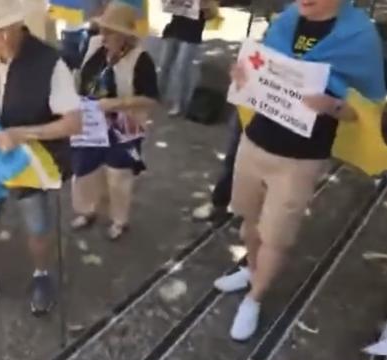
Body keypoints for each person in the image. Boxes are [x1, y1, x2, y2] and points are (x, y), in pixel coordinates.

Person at [214, 0, 386, 341]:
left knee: (276, 237)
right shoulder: (287, 19)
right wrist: (242, 74)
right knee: (249, 219)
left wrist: (334, 106)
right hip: (255, 141)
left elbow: (369, 108)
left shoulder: (359, 36)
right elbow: (259, 69)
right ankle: (250, 269)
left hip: (300, 159)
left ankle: (255, 298)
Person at [0, 0, 81, 321]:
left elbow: (74, 122)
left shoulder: (51, 63)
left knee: (37, 225)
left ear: (5, 32)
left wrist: (22, 134)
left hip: (30, 159)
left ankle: (41, 276)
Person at [69, 1, 159, 240]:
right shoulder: (94, 45)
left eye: (110, 31)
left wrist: (116, 104)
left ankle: (119, 220)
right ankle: (87, 210)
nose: (104, 34)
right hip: (89, 121)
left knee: (118, 174)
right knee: (85, 169)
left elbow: (150, 99)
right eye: (103, 28)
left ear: (126, 35)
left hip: (123, 126)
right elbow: (80, 74)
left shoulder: (141, 59)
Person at [159, 0, 218, 117]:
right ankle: (158, 95)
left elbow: (212, 14)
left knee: (181, 68)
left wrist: (205, 7)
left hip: (192, 32)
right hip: (174, 27)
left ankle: (179, 104)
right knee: (164, 64)